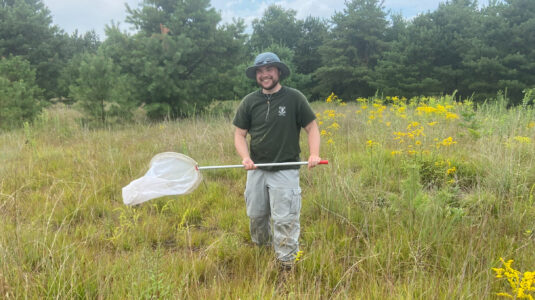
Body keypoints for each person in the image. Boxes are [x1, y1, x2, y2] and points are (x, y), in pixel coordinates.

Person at [233, 52, 321, 269]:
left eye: (269, 69)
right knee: (256, 216)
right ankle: (262, 251)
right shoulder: (249, 102)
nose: (265, 75)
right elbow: (239, 135)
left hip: (286, 169)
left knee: (284, 219)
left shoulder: (294, 98)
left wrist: (314, 153)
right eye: (260, 71)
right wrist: (245, 158)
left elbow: (312, 128)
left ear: (278, 72)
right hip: (257, 170)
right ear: (256, 75)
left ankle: (287, 264)